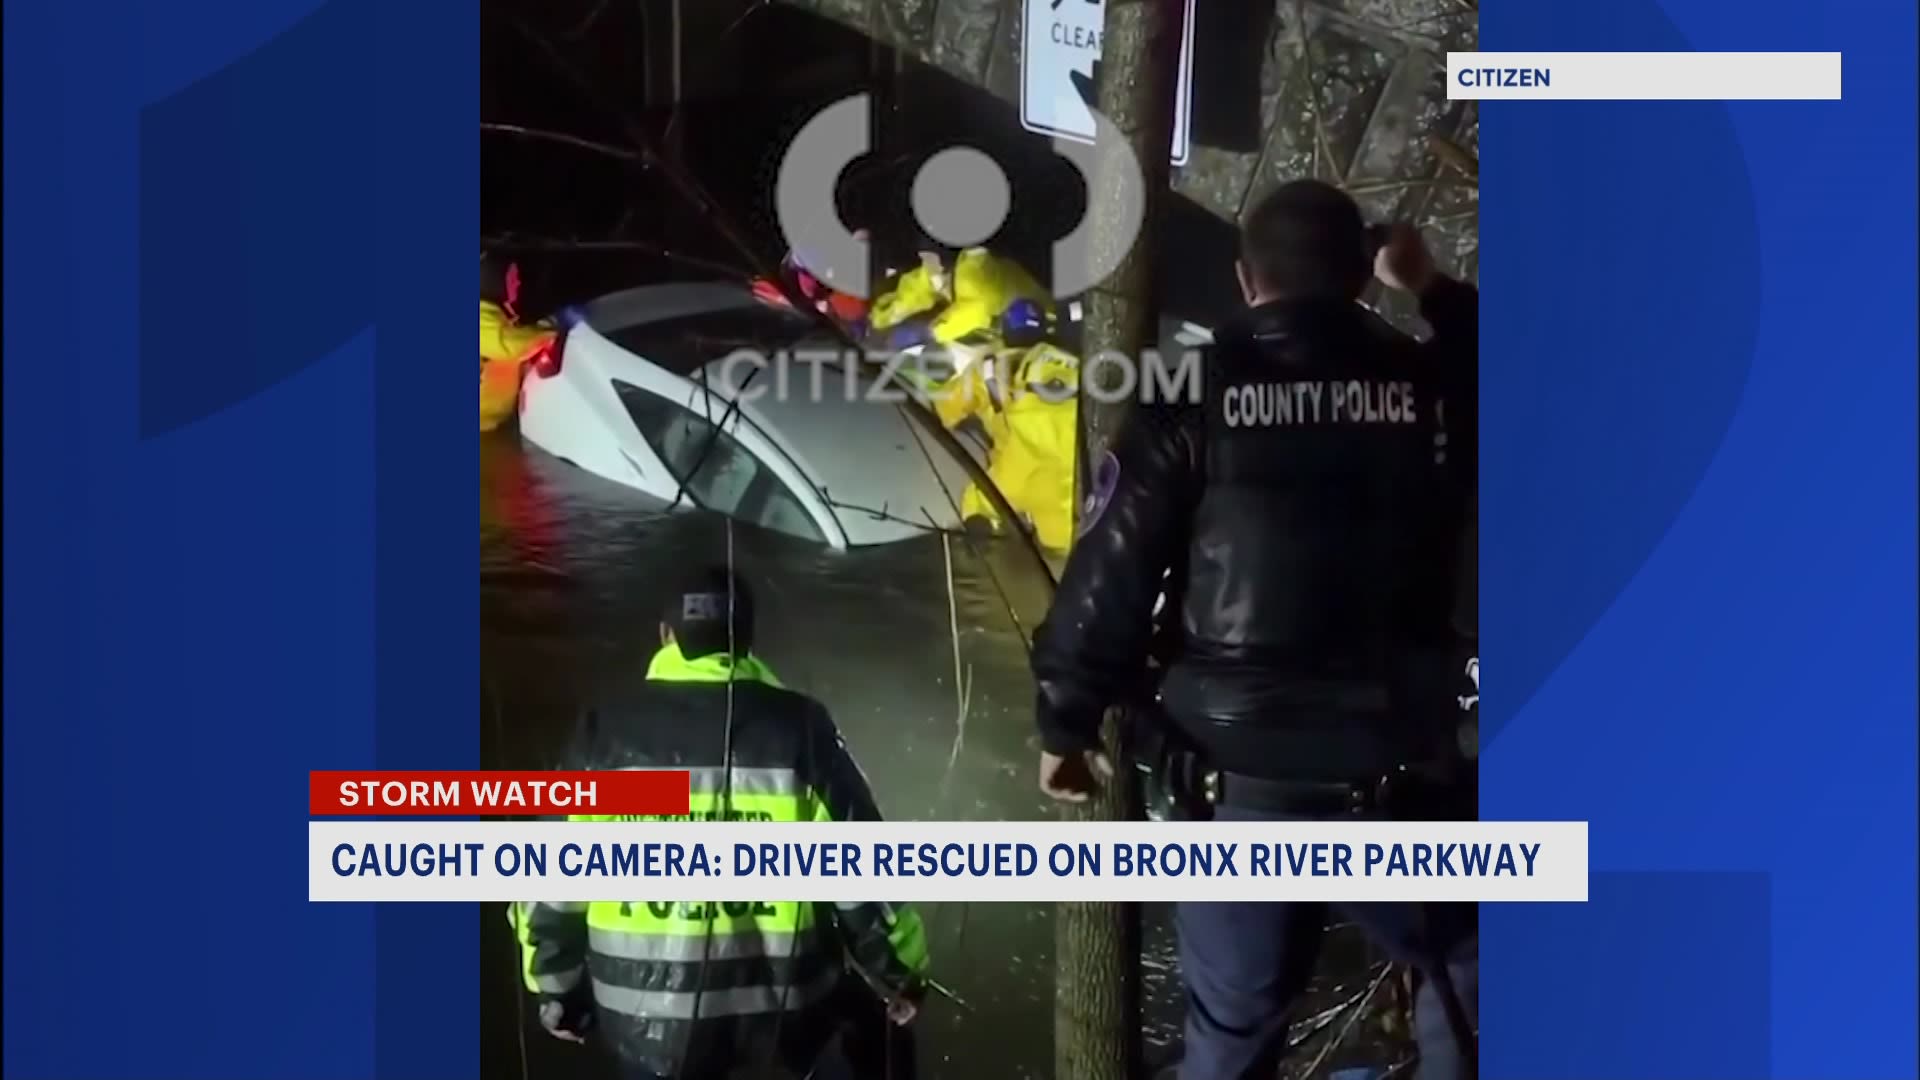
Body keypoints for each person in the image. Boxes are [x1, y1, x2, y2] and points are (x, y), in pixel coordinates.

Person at [1027, 179, 1480, 1080]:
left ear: (1244, 281)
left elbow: (1106, 578)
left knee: (1230, 1048)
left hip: (1236, 783)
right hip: (1398, 774)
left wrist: (1062, 722)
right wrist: (1429, 285)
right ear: (1363, 275)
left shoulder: (1185, 395)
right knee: (1470, 1003)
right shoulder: (1432, 388)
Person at [513, 566, 930, 1080]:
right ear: (749, 640)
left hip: (645, 1030)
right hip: (784, 1027)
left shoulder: (602, 735)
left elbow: (545, 882)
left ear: (665, 635)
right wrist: (902, 975)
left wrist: (556, 991)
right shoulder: (799, 728)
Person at [479, 252, 558, 433]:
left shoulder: (496, 319)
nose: (518, 283)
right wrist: (549, 331)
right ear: (495, 282)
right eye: (512, 278)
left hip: (491, 426)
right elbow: (508, 346)